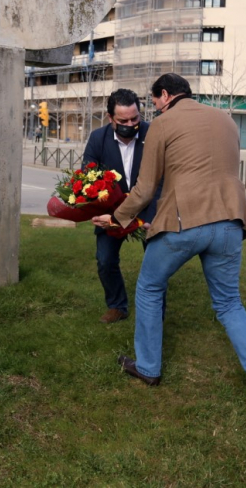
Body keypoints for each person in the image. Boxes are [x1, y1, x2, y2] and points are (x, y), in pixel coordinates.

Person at [92, 73, 246, 417]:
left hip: (185, 222)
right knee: (229, 304)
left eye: (153, 103)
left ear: (164, 95)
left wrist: (116, 218)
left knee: (149, 287)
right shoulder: (226, 120)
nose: (153, 111)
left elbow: (146, 187)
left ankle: (148, 368)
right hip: (230, 220)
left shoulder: (162, 125)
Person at [82, 89, 158, 324]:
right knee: (105, 261)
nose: (130, 124)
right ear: (110, 118)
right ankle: (117, 306)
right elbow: (88, 177)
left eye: (135, 118)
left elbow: (165, 178)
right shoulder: (98, 138)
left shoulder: (153, 134)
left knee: (156, 264)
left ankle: (156, 311)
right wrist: (96, 211)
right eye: (123, 120)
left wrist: (153, 216)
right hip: (111, 214)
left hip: (147, 212)